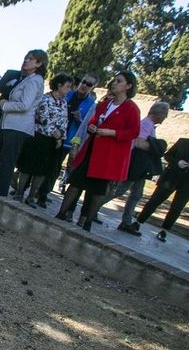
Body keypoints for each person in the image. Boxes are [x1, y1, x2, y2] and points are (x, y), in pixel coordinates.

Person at [55, 71, 141, 231]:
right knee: (75, 182)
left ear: (128, 86)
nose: (114, 83)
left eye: (119, 81)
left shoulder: (131, 108)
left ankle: (87, 222)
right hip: (92, 149)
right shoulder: (105, 104)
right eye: (114, 80)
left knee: (97, 190)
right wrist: (92, 127)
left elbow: (134, 132)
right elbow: (93, 120)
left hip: (108, 156)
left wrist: (112, 133)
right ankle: (61, 213)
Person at [0, 49, 47, 200]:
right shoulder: (29, 79)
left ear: (39, 63)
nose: (26, 60)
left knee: (4, 162)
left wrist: (5, 104)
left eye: (30, 59)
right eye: (26, 57)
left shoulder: (35, 81)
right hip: (9, 125)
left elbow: (24, 105)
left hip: (18, 127)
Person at [133, 121, 189, 242]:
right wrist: (177, 162)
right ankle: (138, 222)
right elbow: (168, 155)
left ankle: (164, 231)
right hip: (172, 176)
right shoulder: (183, 142)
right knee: (155, 200)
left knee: (177, 207)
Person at [14, 72, 74, 206]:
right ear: (59, 85)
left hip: (52, 141)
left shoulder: (63, 103)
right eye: (67, 86)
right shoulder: (45, 99)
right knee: (28, 166)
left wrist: (60, 137)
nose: (69, 90)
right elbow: (43, 118)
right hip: (38, 137)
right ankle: (19, 192)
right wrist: (54, 133)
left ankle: (31, 196)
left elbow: (64, 121)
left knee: (42, 171)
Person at [36, 74, 98, 204]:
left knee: (55, 167)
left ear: (93, 87)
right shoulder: (67, 94)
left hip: (68, 139)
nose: (84, 85)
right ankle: (27, 188)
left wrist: (80, 119)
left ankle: (43, 194)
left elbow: (88, 126)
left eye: (89, 84)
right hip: (51, 133)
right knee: (41, 161)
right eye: (83, 81)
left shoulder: (91, 104)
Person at [113, 102, 171, 234]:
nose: (165, 117)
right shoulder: (146, 124)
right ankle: (93, 209)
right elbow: (139, 143)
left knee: (136, 194)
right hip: (136, 165)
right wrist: (157, 147)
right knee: (120, 190)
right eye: (165, 114)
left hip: (140, 168)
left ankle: (126, 221)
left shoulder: (150, 125)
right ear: (159, 113)